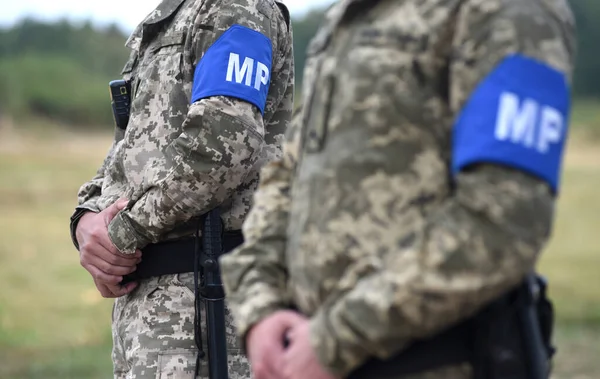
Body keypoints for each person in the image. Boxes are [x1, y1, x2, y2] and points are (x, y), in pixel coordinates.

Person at [220, 0, 576, 378]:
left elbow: (504, 217)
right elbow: (288, 176)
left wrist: (335, 339)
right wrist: (262, 308)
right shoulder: (354, 13)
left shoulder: (507, 10)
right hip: (307, 357)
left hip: (432, 361)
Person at [69, 0, 294, 377]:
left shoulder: (234, 7)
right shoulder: (170, 17)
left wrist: (121, 233)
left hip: (206, 312)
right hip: (150, 314)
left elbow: (223, 146)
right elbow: (128, 150)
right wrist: (86, 219)